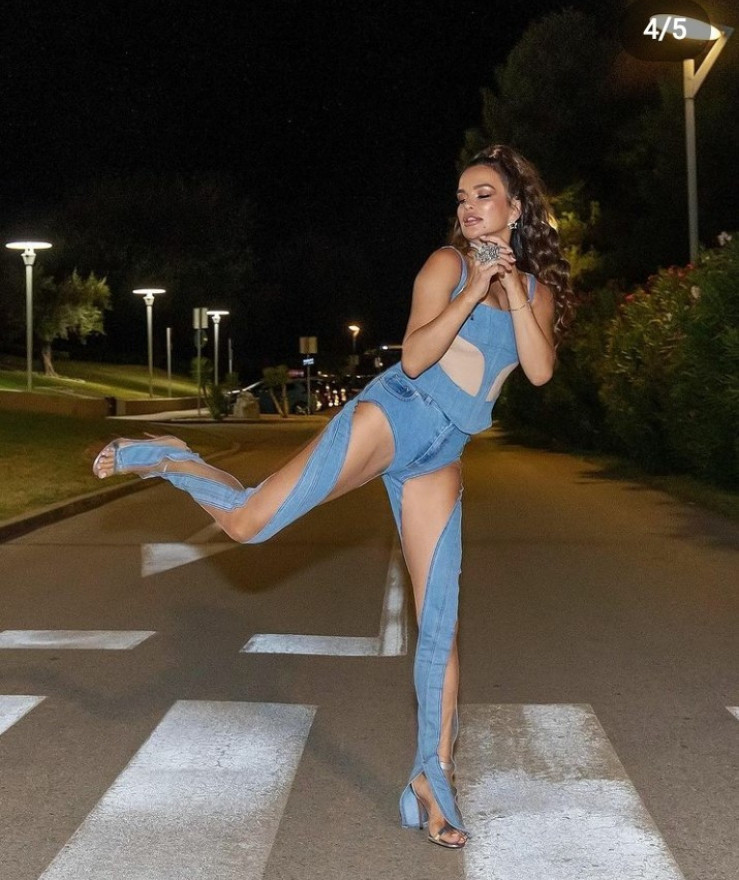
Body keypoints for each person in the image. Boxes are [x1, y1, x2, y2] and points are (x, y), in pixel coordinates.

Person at [93, 143, 573, 849]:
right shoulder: (445, 266)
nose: (468, 207)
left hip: (442, 454)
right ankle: (170, 457)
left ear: (516, 207)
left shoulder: (537, 291)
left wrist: (512, 285)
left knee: (440, 623)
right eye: (462, 196)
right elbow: (416, 357)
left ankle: (432, 780)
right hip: (395, 413)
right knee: (249, 524)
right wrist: (474, 285)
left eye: (483, 195)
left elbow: (537, 370)